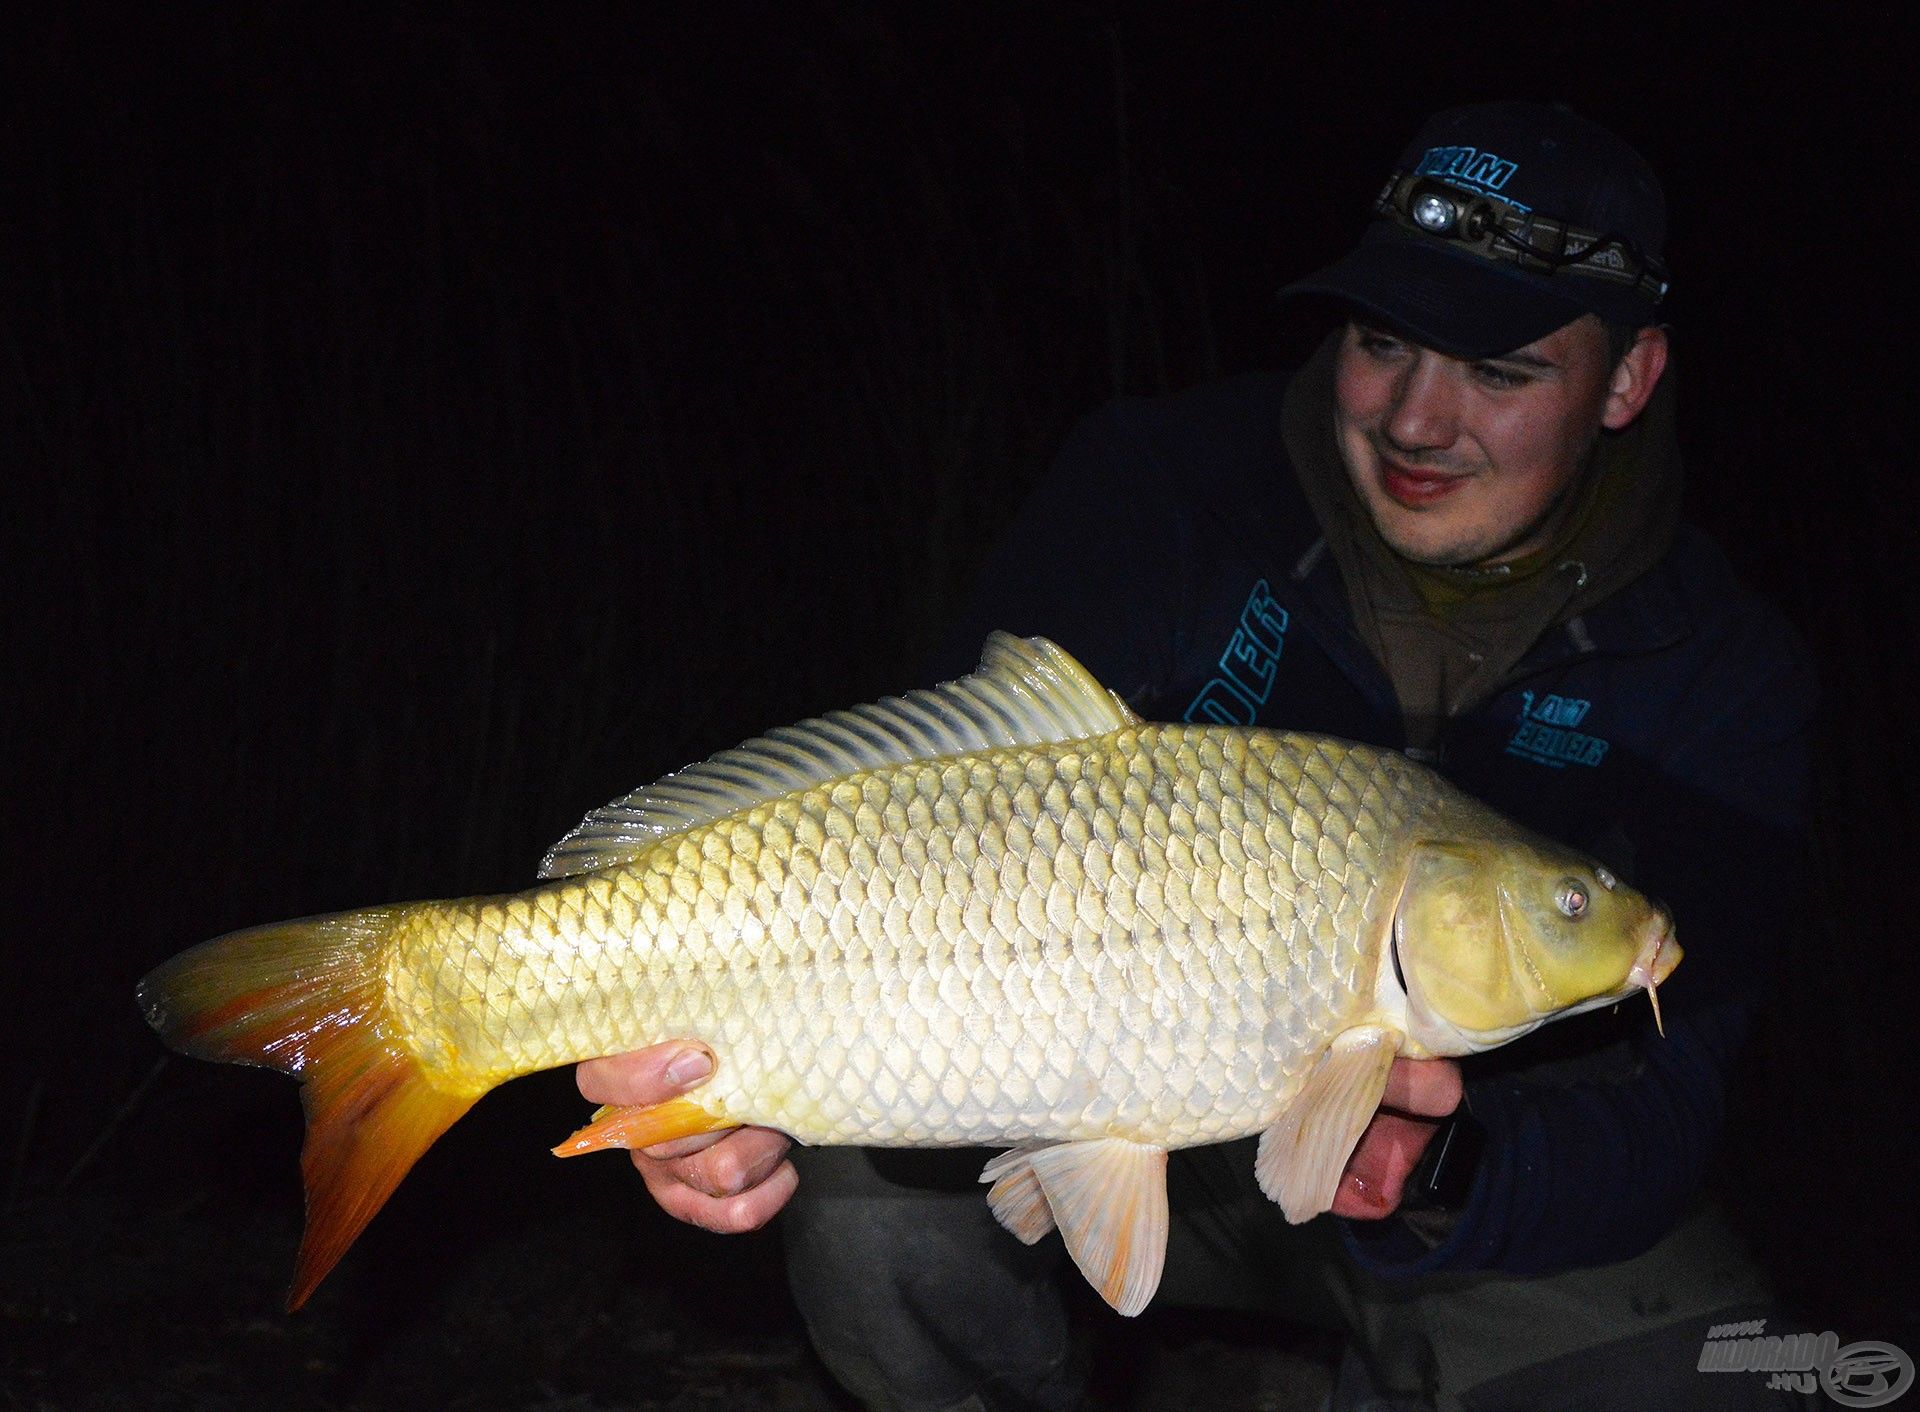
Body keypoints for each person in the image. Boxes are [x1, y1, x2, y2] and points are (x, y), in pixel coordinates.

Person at [576, 102, 1818, 1410]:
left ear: (1626, 380)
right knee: (865, 1209)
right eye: (1383, 340)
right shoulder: (1165, 486)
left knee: (1733, 1380)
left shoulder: (1724, 675)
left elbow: (1671, 1113)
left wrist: (1443, 1168)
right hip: (1109, 1114)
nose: (1414, 418)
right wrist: (722, 1049)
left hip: (1480, 1194)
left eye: (1499, 372)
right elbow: (918, 829)